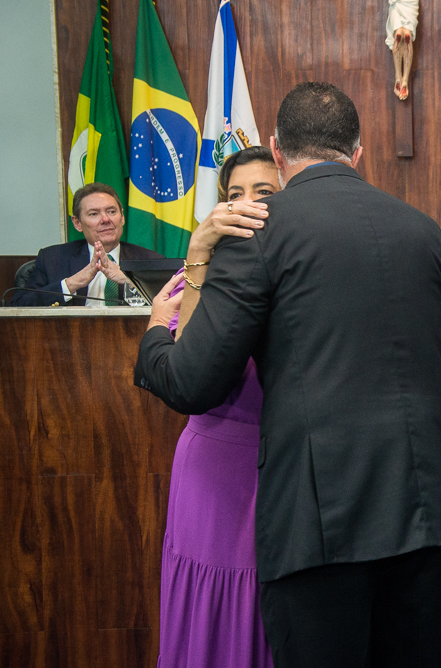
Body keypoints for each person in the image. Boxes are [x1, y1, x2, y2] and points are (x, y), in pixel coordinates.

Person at [135, 82, 441, 668]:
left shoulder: (259, 232)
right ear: (358, 151)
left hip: (322, 518)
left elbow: (194, 383)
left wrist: (154, 341)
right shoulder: (422, 231)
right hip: (422, 507)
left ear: (277, 148)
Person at [157, 146, 275, 668]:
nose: (244, 205)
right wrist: (199, 247)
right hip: (211, 466)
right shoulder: (192, 277)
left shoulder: (301, 275)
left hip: (278, 465)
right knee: (210, 595)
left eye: (263, 193)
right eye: (233, 194)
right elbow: (191, 362)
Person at [9, 182, 163, 306]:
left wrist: (132, 280)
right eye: (94, 214)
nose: (105, 219)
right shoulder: (52, 259)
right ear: (77, 223)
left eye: (111, 211)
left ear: (122, 217)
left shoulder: (151, 261)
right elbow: (17, 306)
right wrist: (72, 283)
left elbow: (177, 308)